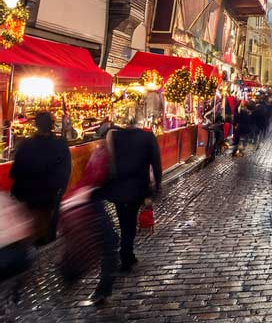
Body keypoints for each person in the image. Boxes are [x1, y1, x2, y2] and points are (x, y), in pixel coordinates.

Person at [59, 136, 117, 305]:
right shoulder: (101, 152)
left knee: (100, 244)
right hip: (86, 202)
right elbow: (95, 177)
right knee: (108, 245)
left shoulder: (98, 150)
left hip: (80, 201)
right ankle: (96, 286)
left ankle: (72, 273)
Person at [100, 120, 162, 272]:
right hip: (137, 188)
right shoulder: (147, 137)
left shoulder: (114, 136)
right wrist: (157, 187)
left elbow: (108, 160)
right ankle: (126, 255)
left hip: (118, 188)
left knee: (124, 221)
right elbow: (156, 163)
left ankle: (127, 253)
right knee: (130, 223)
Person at [10, 112, 71, 245]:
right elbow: (64, 175)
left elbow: (15, 172)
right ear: (52, 125)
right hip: (48, 199)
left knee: (31, 235)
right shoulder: (60, 145)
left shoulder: (26, 145)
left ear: (36, 125)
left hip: (30, 199)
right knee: (45, 237)